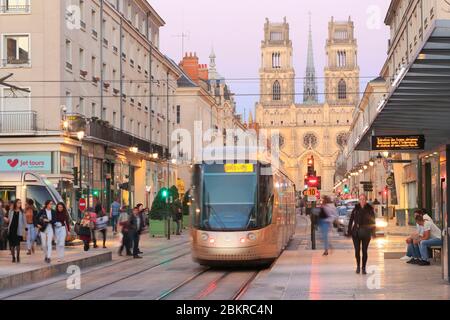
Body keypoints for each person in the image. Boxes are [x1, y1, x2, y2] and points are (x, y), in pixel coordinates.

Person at [347, 194, 376, 275]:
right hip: (356, 232)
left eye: (363, 199)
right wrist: (349, 231)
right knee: (357, 250)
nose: (362, 201)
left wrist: (373, 232)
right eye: (360, 199)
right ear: (359, 200)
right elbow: (351, 220)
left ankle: (363, 268)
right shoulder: (355, 209)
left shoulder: (370, 209)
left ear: (366, 200)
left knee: (364, 250)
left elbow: (373, 221)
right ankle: (358, 266)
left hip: (366, 232)